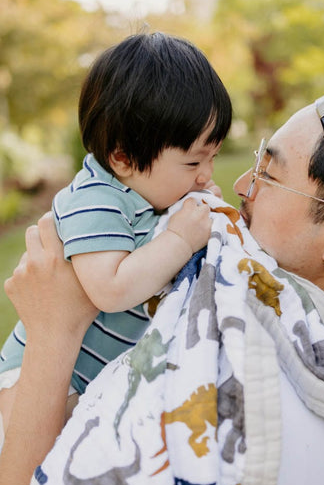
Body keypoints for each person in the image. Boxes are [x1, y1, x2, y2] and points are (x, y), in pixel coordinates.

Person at [0, 68, 324, 485]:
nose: (240, 184)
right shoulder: (297, 332)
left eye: (269, 174)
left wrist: (53, 333)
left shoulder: (224, 403)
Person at [0, 31, 232, 402]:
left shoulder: (146, 193)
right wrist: (180, 238)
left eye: (213, 157)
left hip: (90, 381)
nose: (206, 174)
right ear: (122, 158)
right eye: (193, 162)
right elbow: (111, 290)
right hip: (36, 379)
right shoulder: (94, 200)